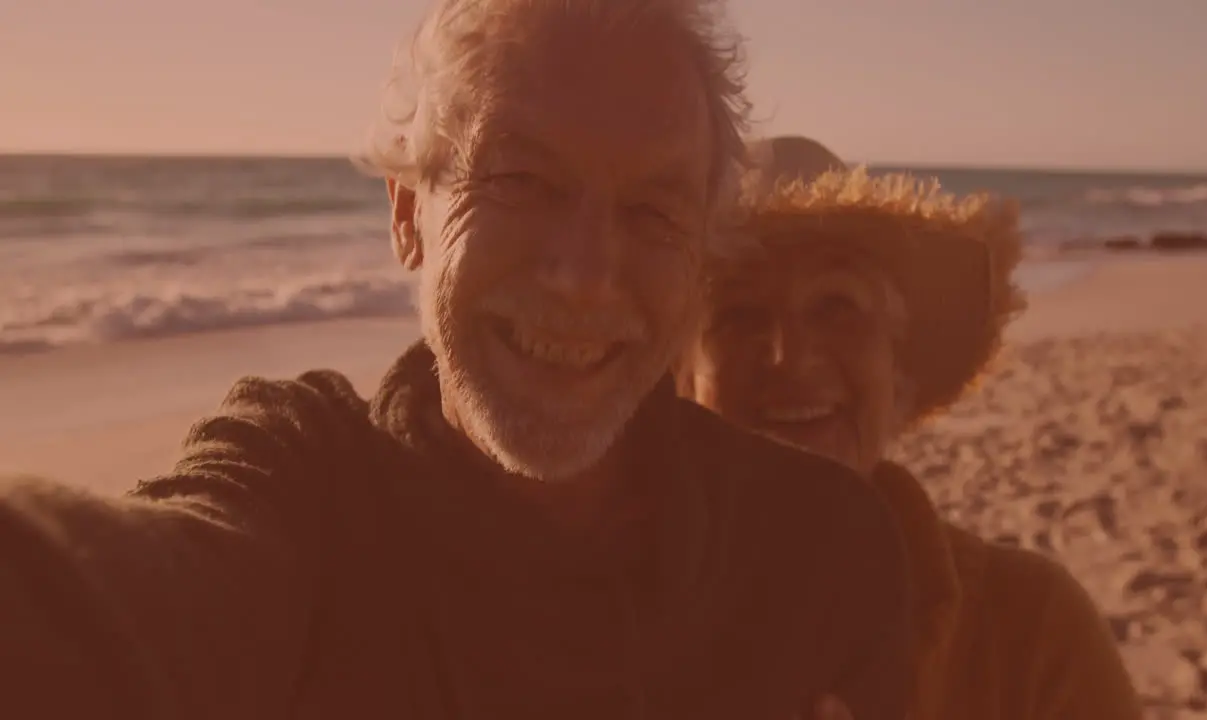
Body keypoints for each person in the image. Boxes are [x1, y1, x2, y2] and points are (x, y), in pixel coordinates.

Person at [0, 6, 912, 720]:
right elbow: (122, 606)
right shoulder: (305, 486)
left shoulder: (822, 550)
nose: (587, 277)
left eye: (654, 211)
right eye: (521, 180)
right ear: (407, 214)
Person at [678, 135, 1143, 720]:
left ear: (899, 376)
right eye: (739, 314)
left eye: (837, 307)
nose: (789, 357)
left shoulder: (1026, 629)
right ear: (680, 382)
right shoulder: (602, 626)